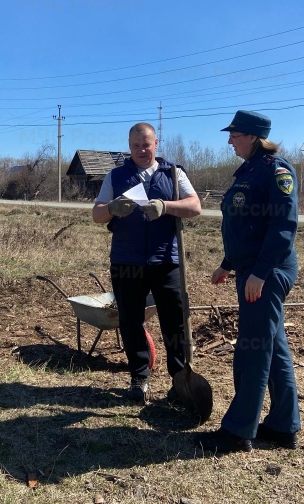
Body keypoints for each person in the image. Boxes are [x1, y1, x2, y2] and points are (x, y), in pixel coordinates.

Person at [198, 110, 301, 453]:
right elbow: (246, 228)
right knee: (274, 347)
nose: (229, 140)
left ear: (253, 137)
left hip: (266, 272)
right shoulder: (248, 171)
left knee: (252, 350)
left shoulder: (276, 170)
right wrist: (228, 264)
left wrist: (259, 273)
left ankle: (238, 431)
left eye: (235, 135)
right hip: (252, 267)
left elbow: (283, 227)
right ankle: (283, 426)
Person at [92, 122, 201, 403]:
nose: (141, 150)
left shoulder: (173, 174)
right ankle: (139, 377)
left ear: (156, 143)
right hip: (126, 262)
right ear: (129, 147)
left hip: (166, 260)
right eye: (135, 145)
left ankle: (180, 379)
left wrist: (166, 206)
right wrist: (112, 208)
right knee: (130, 320)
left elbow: (194, 206)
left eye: (146, 144)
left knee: (174, 322)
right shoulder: (116, 176)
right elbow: (97, 215)